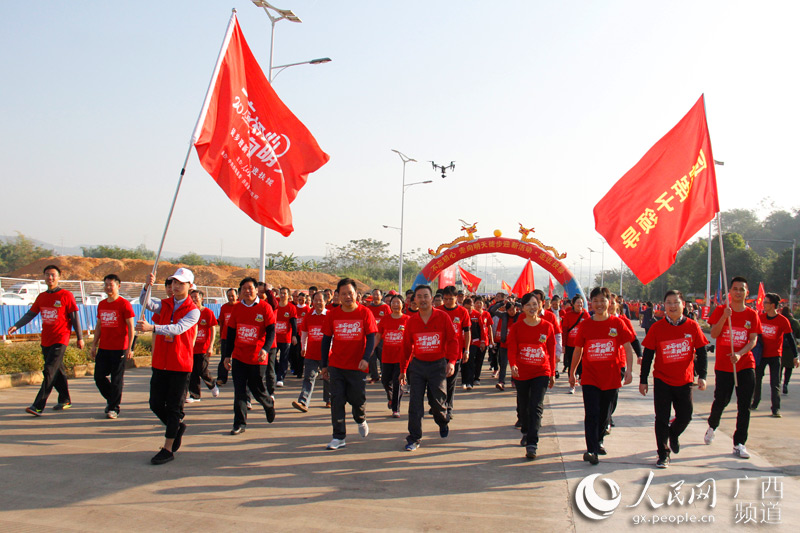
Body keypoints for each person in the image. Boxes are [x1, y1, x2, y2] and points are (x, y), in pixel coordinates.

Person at [639, 290, 708, 468]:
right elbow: (647, 355)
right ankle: (663, 454)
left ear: (683, 305)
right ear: (664, 306)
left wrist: (703, 376)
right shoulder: (657, 327)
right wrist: (643, 379)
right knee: (661, 418)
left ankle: (674, 434)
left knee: (685, 416)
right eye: (668, 302)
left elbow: (701, 351)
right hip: (662, 380)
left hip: (684, 380)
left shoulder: (692, 326)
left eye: (676, 302)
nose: (672, 306)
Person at [137, 268, 199, 465]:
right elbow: (145, 303)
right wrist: (147, 286)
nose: (176, 285)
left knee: (174, 408)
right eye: (174, 282)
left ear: (190, 286)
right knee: (155, 403)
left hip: (180, 365)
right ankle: (177, 427)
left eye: (181, 283)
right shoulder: (164, 304)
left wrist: (152, 328)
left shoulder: (193, 310)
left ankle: (167, 448)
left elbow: (178, 328)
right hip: (160, 363)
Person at [7, 264, 84, 416]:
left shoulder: (66, 295)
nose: (50, 278)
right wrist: (16, 325)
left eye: (53, 275)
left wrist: (80, 337)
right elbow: (30, 314)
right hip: (46, 340)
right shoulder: (42, 297)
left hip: (61, 338)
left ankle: (38, 405)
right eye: (47, 275)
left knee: (49, 371)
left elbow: (74, 317)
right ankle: (65, 399)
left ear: (59, 277)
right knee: (57, 370)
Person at [569, 287, 634, 465]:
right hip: (590, 377)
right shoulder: (586, 325)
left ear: (609, 302)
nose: (599, 304)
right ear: (591, 303)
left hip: (611, 377)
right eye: (595, 300)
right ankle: (591, 449)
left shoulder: (618, 324)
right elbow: (578, 350)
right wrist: (572, 372)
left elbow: (628, 348)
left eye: (602, 300)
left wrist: (629, 370)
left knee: (605, 414)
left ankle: (598, 441)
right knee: (591, 413)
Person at [704, 276, 761, 459]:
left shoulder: (752, 315)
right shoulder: (722, 310)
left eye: (741, 289)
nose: (738, 292)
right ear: (730, 291)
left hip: (744, 364)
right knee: (721, 400)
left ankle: (739, 443)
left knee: (744, 405)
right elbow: (713, 333)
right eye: (735, 289)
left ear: (747, 292)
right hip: (724, 365)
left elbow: (753, 340)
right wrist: (724, 317)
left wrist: (740, 353)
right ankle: (712, 425)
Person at [319, 278, 378, 450]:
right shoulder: (332, 315)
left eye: (350, 293)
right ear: (338, 296)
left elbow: (371, 338)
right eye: (343, 294)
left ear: (356, 294)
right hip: (337, 365)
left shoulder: (365, 313)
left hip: (357, 366)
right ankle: (339, 437)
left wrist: (366, 358)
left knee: (357, 399)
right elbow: (325, 340)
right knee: (337, 400)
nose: (347, 297)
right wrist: (324, 364)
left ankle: (360, 418)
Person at [400, 285, 459, 451]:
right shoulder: (411, 322)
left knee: (438, 404)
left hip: (438, 366)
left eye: (426, 296)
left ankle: (442, 421)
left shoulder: (443, 317)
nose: (423, 299)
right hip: (418, 366)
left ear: (431, 299)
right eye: (419, 296)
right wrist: (403, 370)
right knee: (415, 404)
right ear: (415, 300)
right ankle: (414, 438)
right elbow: (405, 348)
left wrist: (452, 362)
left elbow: (453, 340)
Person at [221, 277, 277, 434]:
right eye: (244, 288)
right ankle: (239, 424)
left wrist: (265, 349)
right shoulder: (237, 308)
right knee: (239, 391)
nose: (247, 291)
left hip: (257, 357)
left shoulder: (265, 308)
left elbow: (271, 331)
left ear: (256, 290)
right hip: (239, 356)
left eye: (250, 288)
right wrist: (227, 356)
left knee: (256, 388)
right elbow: (231, 333)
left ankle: (268, 404)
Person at [507, 293, 556, 460]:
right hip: (521, 372)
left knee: (536, 406)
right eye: (528, 305)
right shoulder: (517, 327)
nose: (532, 307)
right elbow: (512, 348)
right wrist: (513, 364)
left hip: (541, 372)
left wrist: (552, 372)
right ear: (522, 308)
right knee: (524, 406)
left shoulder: (547, 326)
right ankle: (526, 431)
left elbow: (551, 350)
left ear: (541, 305)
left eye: (535, 304)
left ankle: (532, 443)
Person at [90, 273, 135, 418]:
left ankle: (113, 408)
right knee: (99, 377)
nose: (108, 287)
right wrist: (93, 345)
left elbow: (131, 327)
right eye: (106, 284)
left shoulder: (124, 304)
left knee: (116, 379)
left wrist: (130, 348)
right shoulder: (102, 304)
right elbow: (99, 326)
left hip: (119, 348)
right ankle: (112, 400)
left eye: (111, 284)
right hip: (104, 347)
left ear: (118, 286)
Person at [752, 293, 796, 416]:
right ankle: (755, 402)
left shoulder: (783, 321)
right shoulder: (760, 317)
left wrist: (795, 356)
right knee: (757, 379)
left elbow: (790, 338)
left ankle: (775, 408)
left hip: (775, 355)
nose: (763, 304)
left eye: (766, 302)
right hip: (761, 355)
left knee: (775, 382)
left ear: (772, 305)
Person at [292, 290, 331, 412]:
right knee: (308, 378)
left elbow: (334, 335)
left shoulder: (330, 315)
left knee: (328, 377)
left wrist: (331, 349)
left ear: (326, 301)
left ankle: (329, 400)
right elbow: (304, 333)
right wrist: (303, 347)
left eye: (321, 300)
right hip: (311, 353)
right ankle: (303, 401)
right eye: (316, 300)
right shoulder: (309, 315)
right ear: (312, 302)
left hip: (327, 354)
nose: (318, 303)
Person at [438, 286, 471, 418]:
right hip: (438, 352)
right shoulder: (438, 311)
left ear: (456, 298)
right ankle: (437, 404)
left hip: (455, 353)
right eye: (445, 299)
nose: (447, 301)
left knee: (451, 382)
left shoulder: (462, 312)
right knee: (438, 382)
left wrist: (467, 350)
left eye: (450, 299)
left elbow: (467, 332)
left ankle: (448, 406)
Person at [378, 294, 409, 417]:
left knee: (398, 382)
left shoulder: (407, 319)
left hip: (401, 357)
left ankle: (396, 408)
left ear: (402, 305)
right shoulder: (385, 319)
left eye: (398, 302)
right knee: (385, 380)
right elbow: (378, 335)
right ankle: (390, 397)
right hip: (387, 356)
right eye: (393, 302)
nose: (395, 305)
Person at [187, 289, 219, 402]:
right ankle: (194, 395)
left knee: (202, 370)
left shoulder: (208, 312)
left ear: (202, 299)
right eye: (192, 297)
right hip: (191, 348)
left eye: (196, 297)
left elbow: (213, 330)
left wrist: (211, 346)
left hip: (203, 348)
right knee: (192, 372)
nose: (194, 299)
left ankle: (212, 384)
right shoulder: (188, 312)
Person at [562, 295, 590, 393]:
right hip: (570, 344)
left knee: (582, 364)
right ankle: (572, 384)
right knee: (571, 364)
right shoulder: (568, 315)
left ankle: (582, 382)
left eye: (581, 303)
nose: (580, 304)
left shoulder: (586, 315)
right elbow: (565, 331)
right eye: (578, 302)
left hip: (582, 345)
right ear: (573, 304)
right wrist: (563, 345)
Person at [274, 287, 298, 387]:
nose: (283, 295)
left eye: (285, 293)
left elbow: (294, 324)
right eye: (281, 293)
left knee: (284, 358)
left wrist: (294, 336)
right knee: (272, 357)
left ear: (288, 296)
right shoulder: (275, 306)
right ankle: (277, 371)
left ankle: (280, 377)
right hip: (275, 338)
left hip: (286, 338)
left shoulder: (291, 308)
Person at [494, 299, 520, 390]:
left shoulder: (519, 316)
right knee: (503, 364)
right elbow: (492, 310)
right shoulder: (504, 316)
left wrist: (515, 303)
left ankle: (514, 380)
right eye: (509, 310)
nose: (512, 312)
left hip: (515, 345)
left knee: (515, 364)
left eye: (513, 309)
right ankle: (501, 382)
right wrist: (501, 303)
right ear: (506, 310)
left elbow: (525, 309)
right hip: (504, 344)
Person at [367, 289, 391, 383]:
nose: (376, 296)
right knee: (372, 357)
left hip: (382, 336)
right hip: (372, 335)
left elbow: (389, 320)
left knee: (382, 357)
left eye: (378, 295)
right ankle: (374, 376)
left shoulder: (386, 307)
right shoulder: (368, 308)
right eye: (374, 295)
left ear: (381, 296)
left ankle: (385, 375)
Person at [215, 288, 238, 386]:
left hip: (238, 337)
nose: (231, 298)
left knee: (238, 359)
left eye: (232, 296)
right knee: (224, 358)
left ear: (237, 296)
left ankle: (238, 378)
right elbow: (222, 323)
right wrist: (221, 336)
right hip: (226, 337)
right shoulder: (224, 307)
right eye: (229, 296)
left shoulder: (240, 306)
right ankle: (221, 378)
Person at [780, 306, 800, 394]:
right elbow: (799, 334)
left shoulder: (780, 320)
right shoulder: (795, 322)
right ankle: (785, 384)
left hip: (780, 347)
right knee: (789, 367)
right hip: (791, 348)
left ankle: (777, 383)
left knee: (779, 367)